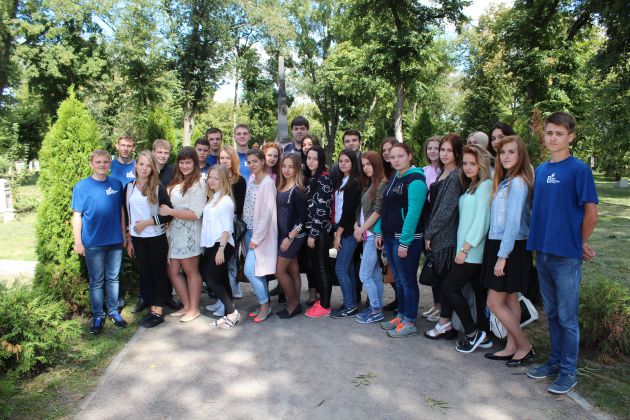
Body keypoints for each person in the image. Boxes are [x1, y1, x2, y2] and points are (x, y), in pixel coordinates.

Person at [526, 112, 598, 394]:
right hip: (542, 253)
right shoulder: (542, 170)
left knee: (568, 318)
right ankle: (554, 363)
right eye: (549, 133)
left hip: (566, 258)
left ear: (570, 137)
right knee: (553, 314)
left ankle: (568, 372)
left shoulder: (579, 170)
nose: (553, 138)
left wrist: (577, 242)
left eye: (559, 133)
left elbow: (591, 214)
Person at [426, 145, 493, 351]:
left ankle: (473, 333)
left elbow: (481, 221)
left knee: (449, 288)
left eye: (473, 163)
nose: (468, 167)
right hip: (465, 249)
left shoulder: (485, 185)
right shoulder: (472, 185)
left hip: (472, 251)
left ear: (482, 164)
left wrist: (465, 249)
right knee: (476, 293)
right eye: (465, 163)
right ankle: (484, 335)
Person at [482, 135, 536, 367]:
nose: (505, 156)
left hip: (510, 246)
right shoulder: (506, 181)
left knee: (494, 302)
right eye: (502, 152)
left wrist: (502, 256)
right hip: (500, 242)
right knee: (511, 297)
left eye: (511, 152)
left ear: (520, 155)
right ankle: (512, 346)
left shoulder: (518, 183)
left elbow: (513, 223)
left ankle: (524, 345)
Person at [374, 142, 428, 337]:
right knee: (399, 279)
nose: (396, 160)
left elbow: (413, 213)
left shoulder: (416, 180)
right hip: (390, 237)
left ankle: (410, 321)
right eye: (393, 157)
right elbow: (386, 208)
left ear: (410, 156)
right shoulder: (395, 177)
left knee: (407, 281)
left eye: (400, 156)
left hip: (406, 240)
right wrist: (379, 231)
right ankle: (401, 315)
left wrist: (405, 242)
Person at [72, 149, 127, 335]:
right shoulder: (81, 187)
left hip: (115, 241)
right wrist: (78, 242)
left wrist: (124, 235)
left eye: (105, 162)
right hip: (94, 242)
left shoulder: (116, 184)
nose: (102, 165)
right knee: (96, 281)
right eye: (98, 162)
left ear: (110, 163)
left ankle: (113, 312)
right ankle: (97, 315)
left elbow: (121, 211)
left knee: (113, 278)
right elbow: (77, 216)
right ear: (91, 164)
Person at [123, 151, 173, 328]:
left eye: (148, 165)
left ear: (152, 169)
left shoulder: (158, 188)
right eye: (141, 164)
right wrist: (129, 239)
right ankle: (152, 309)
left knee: (158, 274)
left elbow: (168, 215)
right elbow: (127, 214)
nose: (144, 168)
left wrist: (147, 223)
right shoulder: (129, 187)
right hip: (138, 239)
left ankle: (158, 312)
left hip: (155, 237)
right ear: (136, 165)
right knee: (146, 274)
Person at [423, 133, 464, 335]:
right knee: (441, 281)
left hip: (446, 236)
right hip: (437, 234)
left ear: (457, 153)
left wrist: (429, 233)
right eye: (442, 150)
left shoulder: (456, 176)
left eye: (449, 150)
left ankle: (445, 322)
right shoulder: (442, 173)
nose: (444, 154)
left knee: (447, 282)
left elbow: (446, 210)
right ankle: (445, 322)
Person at [160, 147, 207, 323]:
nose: (185, 166)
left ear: (195, 163)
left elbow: (196, 214)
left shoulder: (199, 184)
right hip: (173, 233)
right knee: (172, 270)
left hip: (189, 233)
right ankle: (186, 305)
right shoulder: (176, 181)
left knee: (191, 271)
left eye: (188, 162)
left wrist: (170, 212)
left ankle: (194, 309)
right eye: (182, 162)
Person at [205, 146, 246, 315]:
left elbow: (231, 220)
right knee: (220, 274)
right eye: (221, 158)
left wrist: (221, 247)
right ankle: (223, 304)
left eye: (227, 158)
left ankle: (229, 309)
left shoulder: (231, 192)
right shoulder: (213, 193)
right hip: (214, 238)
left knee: (218, 274)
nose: (224, 161)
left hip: (224, 237)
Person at [201, 165, 241, 329]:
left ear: (223, 180)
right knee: (222, 279)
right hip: (212, 244)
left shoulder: (225, 201)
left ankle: (232, 313)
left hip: (221, 244)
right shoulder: (213, 197)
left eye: (216, 178)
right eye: (210, 177)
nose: (211, 181)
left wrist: (221, 249)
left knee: (211, 279)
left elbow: (227, 228)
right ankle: (227, 314)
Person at [243, 150, 278, 323]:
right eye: (249, 162)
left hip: (260, 235)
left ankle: (265, 306)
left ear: (263, 161)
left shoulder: (268, 183)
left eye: (255, 161)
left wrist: (256, 238)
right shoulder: (251, 178)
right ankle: (263, 303)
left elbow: (266, 214)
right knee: (258, 271)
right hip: (248, 231)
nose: (251, 165)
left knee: (249, 270)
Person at [354, 151, 387, 324]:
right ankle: (376, 308)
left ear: (376, 164)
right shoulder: (370, 183)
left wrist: (362, 229)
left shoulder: (382, 184)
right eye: (364, 165)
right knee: (373, 274)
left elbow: (378, 211)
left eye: (369, 164)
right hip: (367, 233)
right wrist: (357, 226)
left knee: (365, 275)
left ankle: (375, 310)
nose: (366, 168)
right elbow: (361, 209)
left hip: (373, 234)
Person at [275, 154, 308, 319]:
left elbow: (303, 218)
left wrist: (290, 238)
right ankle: (296, 303)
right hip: (282, 234)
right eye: (284, 166)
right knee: (293, 270)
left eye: (291, 166)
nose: (286, 170)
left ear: (297, 169)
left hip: (294, 236)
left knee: (279, 271)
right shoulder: (280, 186)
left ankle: (293, 304)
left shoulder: (297, 190)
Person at [303, 145, 334, 318]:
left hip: (319, 231)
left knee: (322, 268)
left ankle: (325, 305)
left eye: (315, 158)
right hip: (312, 229)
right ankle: (322, 301)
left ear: (321, 160)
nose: (311, 161)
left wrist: (313, 233)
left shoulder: (324, 178)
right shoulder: (311, 177)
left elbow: (322, 209)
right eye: (309, 158)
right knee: (315, 266)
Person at [331, 149, 362, 318]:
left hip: (348, 231)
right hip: (341, 228)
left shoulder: (354, 182)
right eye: (341, 161)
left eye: (347, 161)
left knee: (341, 269)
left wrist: (338, 234)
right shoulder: (342, 180)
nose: (343, 164)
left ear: (353, 163)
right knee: (348, 269)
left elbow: (348, 212)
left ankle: (350, 306)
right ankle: (351, 302)